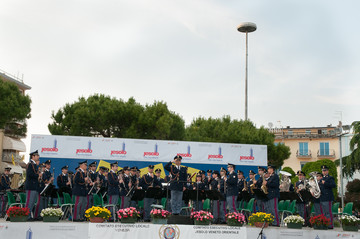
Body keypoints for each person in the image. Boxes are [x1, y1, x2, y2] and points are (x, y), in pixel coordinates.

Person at [25, 150, 40, 221]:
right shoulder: (30, 164)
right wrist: (37, 175)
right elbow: (29, 174)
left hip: (34, 186)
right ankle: (26, 216)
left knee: (32, 202)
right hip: (31, 186)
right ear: (33, 156)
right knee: (29, 202)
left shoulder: (34, 165)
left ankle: (29, 215)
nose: (38, 157)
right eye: (37, 155)